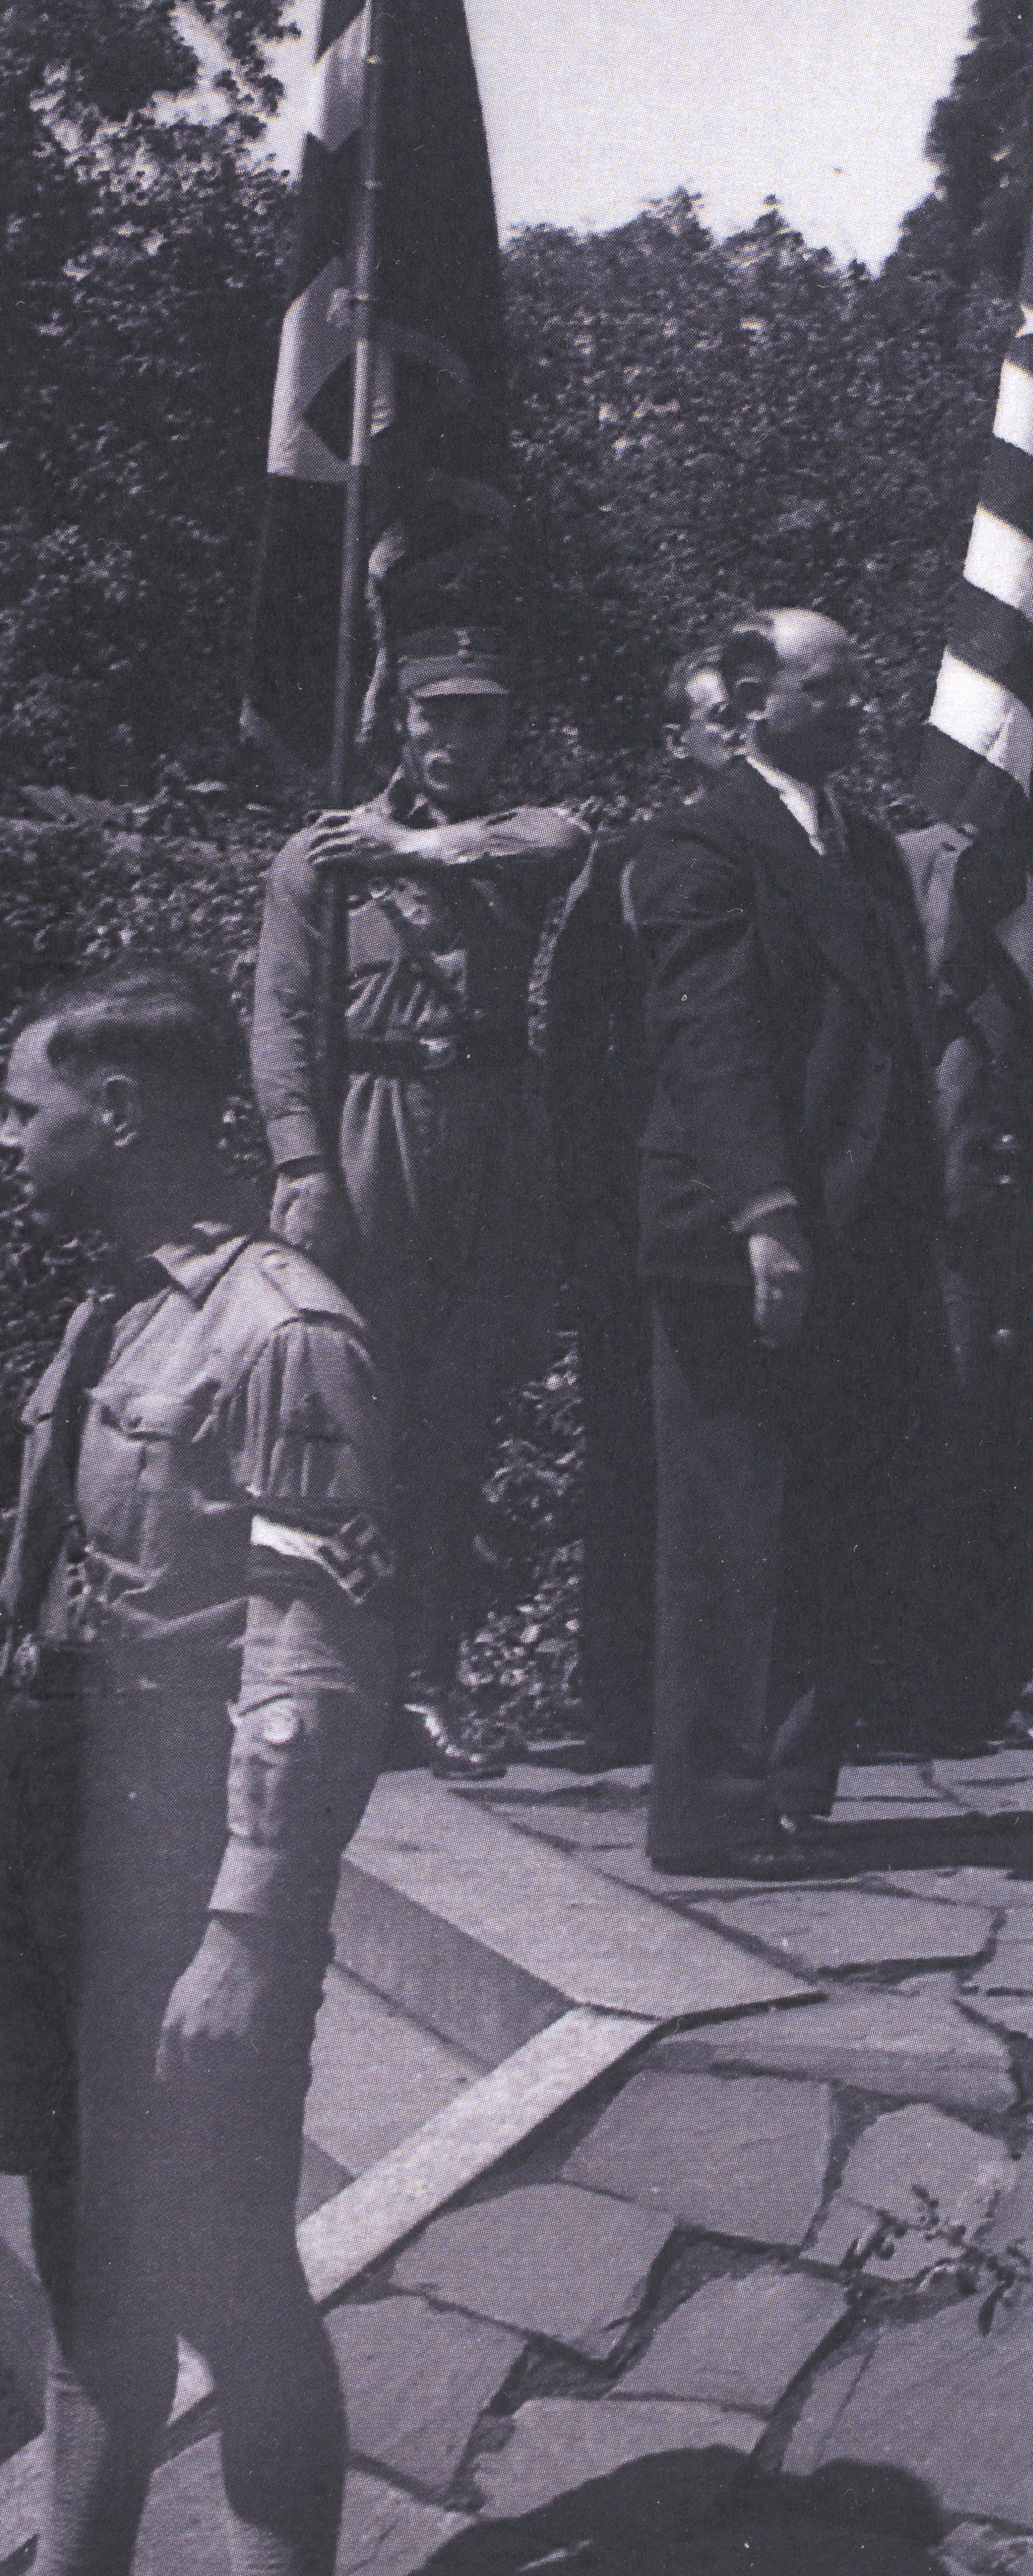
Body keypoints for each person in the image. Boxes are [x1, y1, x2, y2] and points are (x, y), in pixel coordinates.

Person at [0, 958, 394, 2576]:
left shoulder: (284, 1334)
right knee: (86, 2235)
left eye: (27, 1106)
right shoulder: (106, 1316)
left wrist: (249, 1922)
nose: (9, 1139)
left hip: (188, 1846)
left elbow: (313, 1654)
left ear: (126, 1111)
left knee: (230, 2260)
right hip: (69, 1823)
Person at [629, 609, 949, 1880]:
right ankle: (709, 1808)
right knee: (728, 1526)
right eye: (835, 689)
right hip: (738, 1238)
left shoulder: (863, 848)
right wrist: (767, 1217)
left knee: (826, 1515)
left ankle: (793, 1784)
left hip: (861, 1228)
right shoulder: (698, 842)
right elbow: (711, 1047)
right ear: (755, 698)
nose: (861, 708)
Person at [250, 630, 586, 1780]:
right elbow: (283, 1023)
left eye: (480, 720)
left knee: (456, 1421)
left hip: (488, 1134)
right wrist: (302, 1166)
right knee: (348, 1416)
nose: (457, 741)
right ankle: (331, 1676)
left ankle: (427, 1681)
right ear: (400, 722)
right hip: (369, 1130)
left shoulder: (511, 844)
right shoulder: (321, 858)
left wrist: (417, 848)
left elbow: (565, 838)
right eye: (437, 718)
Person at [533, 648, 736, 1772]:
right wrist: (592, 1212)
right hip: (641, 1212)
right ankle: (623, 1701)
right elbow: (577, 1048)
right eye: (716, 718)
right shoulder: (628, 865)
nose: (737, 734)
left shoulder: (816, 856)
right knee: (630, 1453)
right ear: (678, 742)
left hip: (767, 1214)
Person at [895, 810, 1033, 1751]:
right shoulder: (915, 860)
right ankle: (928, 1678)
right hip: (947, 1190)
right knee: (947, 1422)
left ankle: (1028, 1670)